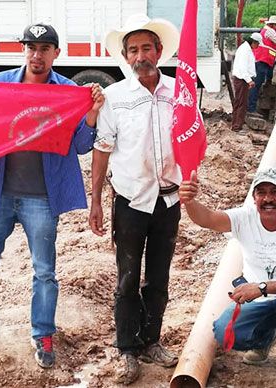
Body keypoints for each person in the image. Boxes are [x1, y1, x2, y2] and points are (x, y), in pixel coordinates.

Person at [0, 23, 104, 369]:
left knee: (44, 272)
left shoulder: (68, 91)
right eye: (31, 48)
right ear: (24, 51)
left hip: (42, 197)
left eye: (44, 49)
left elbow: (83, 148)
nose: (36, 55)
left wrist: (90, 115)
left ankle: (42, 333)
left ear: (56, 53)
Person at [89, 14, 181, 385]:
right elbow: (101, 149)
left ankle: (152, 340)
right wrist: (95, 200)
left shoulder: (179, 92)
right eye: (133, 50)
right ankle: (127, 347)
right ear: (126, 57)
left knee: (158, 276)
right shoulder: (114, 97)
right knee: (127, 278)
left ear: (158, 52)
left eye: (147, 48)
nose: (140, 55)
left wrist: (191, 180)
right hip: (129, 200)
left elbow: (193, 142)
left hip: (168, 201)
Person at [178, 167, 276, 388]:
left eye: (275, 192)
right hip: (259, 303)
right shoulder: (245, 218)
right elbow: (207, 219)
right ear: (254, 197)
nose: (268, 199)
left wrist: (262, 287)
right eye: (261, 192)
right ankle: (265, 339)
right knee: (224, 331)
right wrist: (189, 201)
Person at [248, 15, 276, 113]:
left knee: (260, 83)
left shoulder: (265, 31)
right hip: (262, 61)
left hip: (264, 61)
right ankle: (251, 109)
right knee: (256, 85)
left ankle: (252, 107)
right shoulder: (270, 31)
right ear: (272, 24)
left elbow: (272, 49)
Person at [231, 33, 262, 131]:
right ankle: (237, 126)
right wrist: (249, 81)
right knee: (241, 103)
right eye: (257, 44)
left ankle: (236, 124)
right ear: (254, 42)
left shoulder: (245, 49)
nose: (257, 47)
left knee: (239, 102)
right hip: (242, 80)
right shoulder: (245, 50)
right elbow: (243, 68)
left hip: (241, 79)